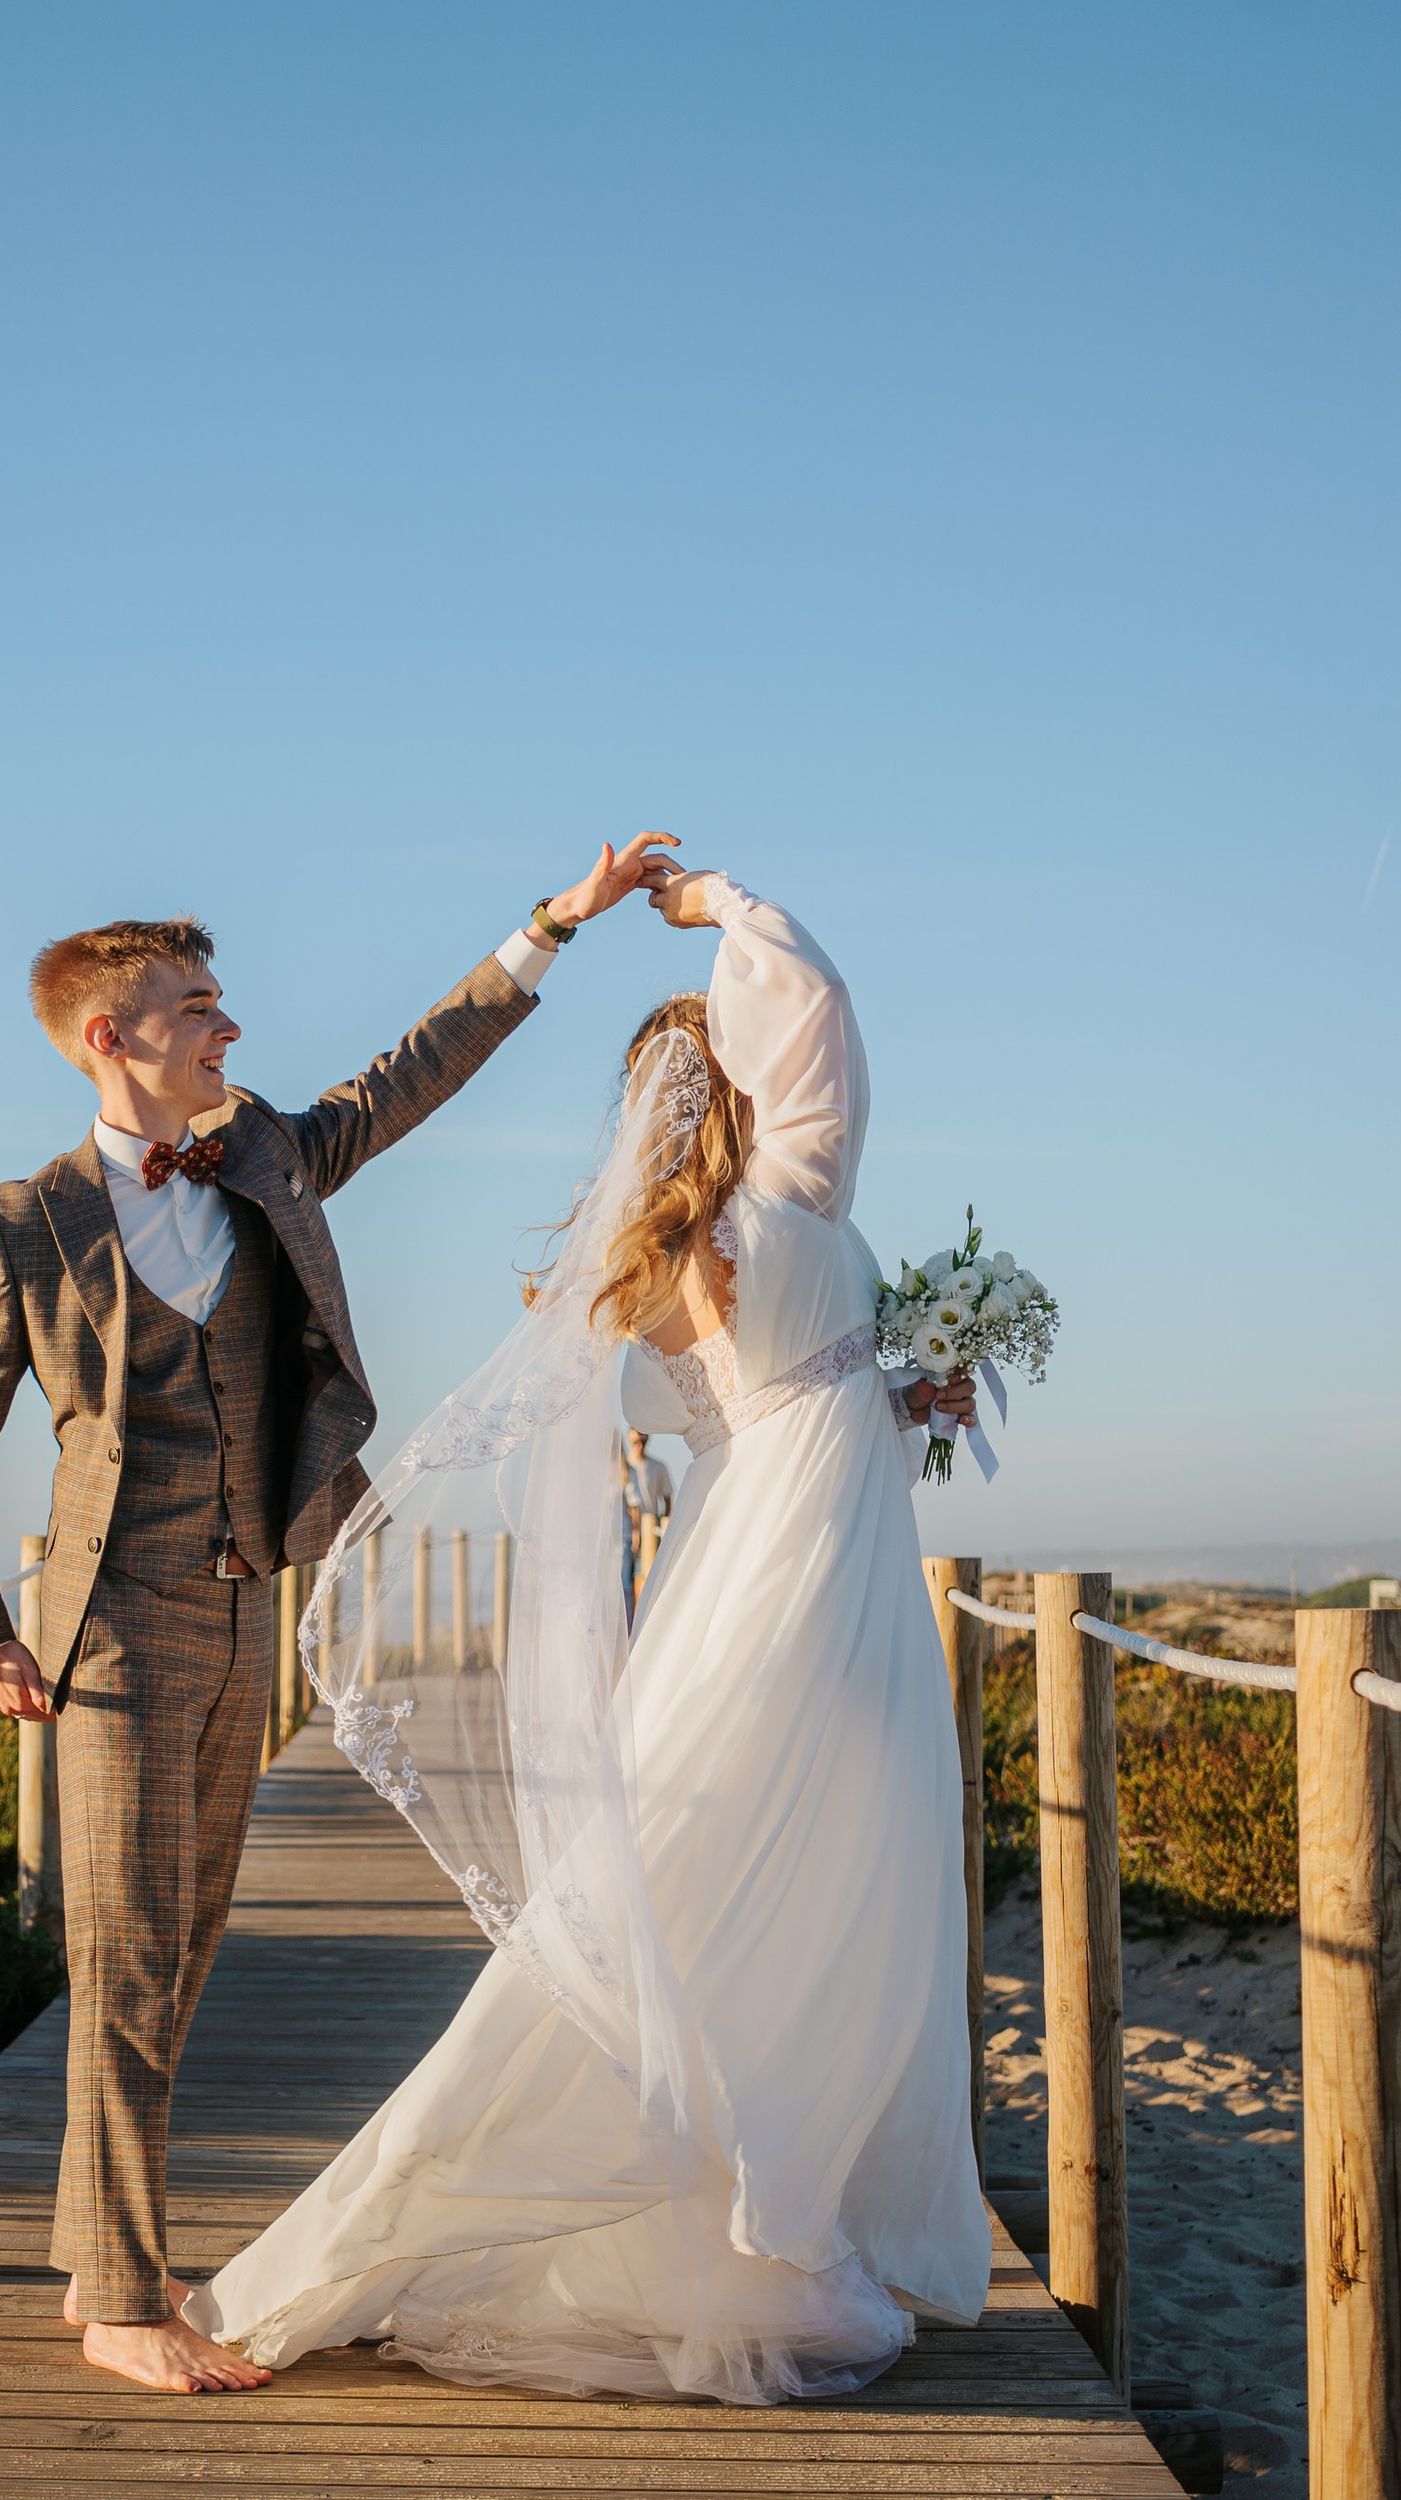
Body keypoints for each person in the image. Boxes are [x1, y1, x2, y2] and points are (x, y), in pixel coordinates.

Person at [187, 865, 989, 2403]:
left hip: (746, 1566)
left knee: (717, 1869)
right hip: (822, 1582)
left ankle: (748, 2207)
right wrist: (725, 903)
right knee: (825, 1874)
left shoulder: (656, 1270)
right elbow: (823, 1004)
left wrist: (896, 1398)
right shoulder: (797, 1199)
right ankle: (772, 2218)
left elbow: (754, 1417)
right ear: (746, 1084)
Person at [0, 833, 679, 2396]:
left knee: (183, 1947)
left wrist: (552, 925)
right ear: (110, 1037)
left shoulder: (259, 1152)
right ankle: (127, 2301)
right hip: (109, 1629)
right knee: (126, 1954)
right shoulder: (27, 1224)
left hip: (247, 1606)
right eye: (198, 1009)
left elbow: (405, 1080)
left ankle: (92, 2256)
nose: (229, 1028)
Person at [619, 1423, 672, 1610]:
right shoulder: (623, 1468)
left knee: (650, 1577)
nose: (639, 1444)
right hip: (627, 1533)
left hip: (651, 1531)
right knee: (627, 1580)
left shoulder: (658, 1467)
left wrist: (663, 1527)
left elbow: (667, 1499)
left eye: (643, 1440)